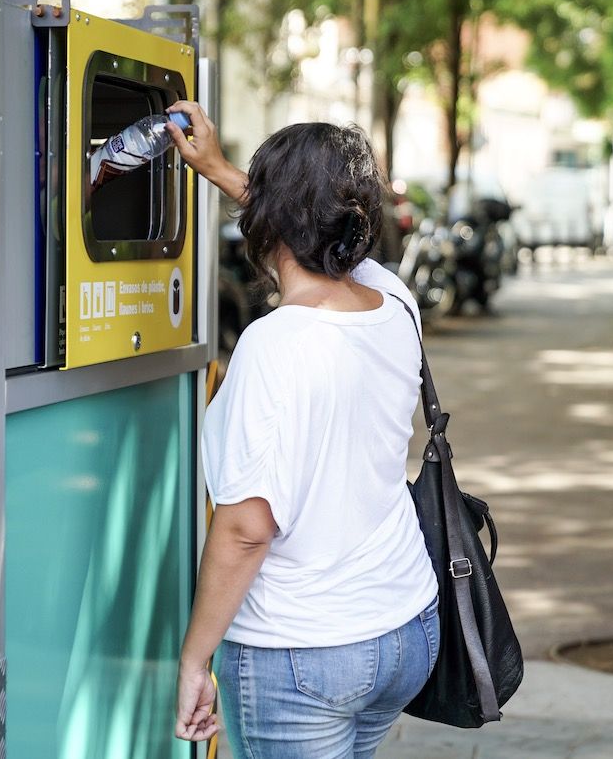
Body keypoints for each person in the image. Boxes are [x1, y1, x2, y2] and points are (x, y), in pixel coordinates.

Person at [165, 100, 440, 758]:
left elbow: (246, 528)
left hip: (305, 653)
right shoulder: (394, 304)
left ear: (267, 223)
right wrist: (221, 170)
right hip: (405, 628)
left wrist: (194, 660)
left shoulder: (273, 345)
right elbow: (315, 238)